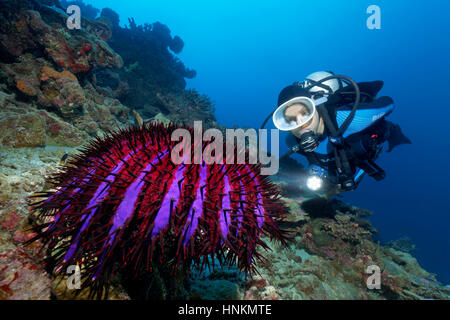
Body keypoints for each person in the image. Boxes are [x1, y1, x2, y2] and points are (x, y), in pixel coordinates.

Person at [271, 71, 411, 193]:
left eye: (305, 112)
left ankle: (394, 133)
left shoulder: (351, 118)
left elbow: (389, 103)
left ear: (314, 106)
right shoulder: (291, 141)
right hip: (339, 159)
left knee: (379, 135)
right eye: (290, 119)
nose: (300, 123)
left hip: (370, 138)